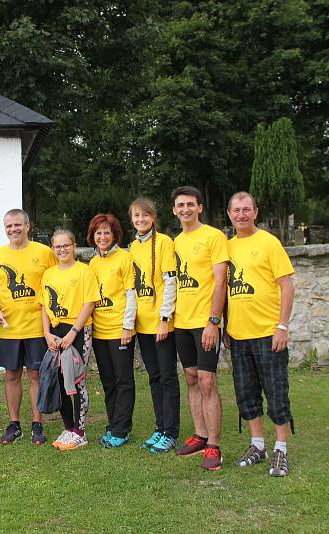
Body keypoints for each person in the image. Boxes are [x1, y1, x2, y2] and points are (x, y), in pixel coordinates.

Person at [223, 192, 295, 477]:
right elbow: (225, 290)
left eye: (246, 210)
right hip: (238, 335)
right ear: (229, 214)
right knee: (246, 393)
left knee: (276, 392)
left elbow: (287, 286)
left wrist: (282, 326)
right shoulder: (226, 248)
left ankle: (281, 449)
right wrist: (226, 325)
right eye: (236, 210)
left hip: (268, 333)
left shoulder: (269, 242)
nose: (241, 215)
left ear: (255, 212)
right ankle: (257, 446)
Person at [171, 186, 229, 471]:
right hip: (181, 322)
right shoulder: (176, 242)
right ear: (174, 210)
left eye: (190, 204)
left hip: (204, 323)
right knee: (191, 377)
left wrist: (214, 321)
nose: (185, 209)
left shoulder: (214, 237)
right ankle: (200, 435)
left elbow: (221, 282)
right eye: (180, 205)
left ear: (200, 207)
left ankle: (215, 445)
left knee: (208, 381)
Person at [0, 209, 57, 444]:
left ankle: (37, 424)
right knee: (11, 375)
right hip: (10, 327)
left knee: (36, 375)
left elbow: (55, 281)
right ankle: (14, 424)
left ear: (27, 226)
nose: (13, 230)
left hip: (38, 327)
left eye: (17, 225)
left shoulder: (44, 253)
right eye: (9, 226)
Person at [127, 198, 180, 454]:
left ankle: (171, 432)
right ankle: (160, 428)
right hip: (143, 326)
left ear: (153, 217)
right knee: (154, 378)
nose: (140, 220)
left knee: (168, 378)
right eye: (136, 216)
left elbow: (170, 283)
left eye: (145, 216)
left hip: (161, 325)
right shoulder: (132, 248)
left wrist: (164, 319)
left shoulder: (165, 243)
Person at [40, 229, 99, 450]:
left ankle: (80, 431)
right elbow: (44, 305)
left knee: (76, 379)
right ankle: (68, 427)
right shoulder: (48, 274)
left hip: (78, 330)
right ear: (53, 249)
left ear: (74, 246)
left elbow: (89, 303)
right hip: (55, 331)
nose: (62, 250)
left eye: (66, 245)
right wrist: (46, 333)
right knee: (59, 378)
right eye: (58, 246)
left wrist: (74, 331)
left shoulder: (84, 271)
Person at [86, 213, 137, 448]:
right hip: (100, 331)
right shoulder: (93, 263)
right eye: (99, 232)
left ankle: (121, 429)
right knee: (108, 381)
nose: (103, 236)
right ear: (92, 236)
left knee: (123, 380)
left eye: (107, 232)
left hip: (120, 329)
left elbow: (130, 293)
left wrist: (128, 325)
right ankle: (113, 424)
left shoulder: (124, 258)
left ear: (115, 234)